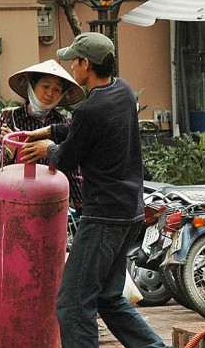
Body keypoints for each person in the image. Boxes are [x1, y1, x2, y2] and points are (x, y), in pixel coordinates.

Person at [19, 32, 172, 348]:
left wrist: (49, 147)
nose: (71, 68)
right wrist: (51, 130)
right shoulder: (123, 91)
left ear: (85, 64)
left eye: (74, 61)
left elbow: (67, 156)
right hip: (129, 212)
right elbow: (86, 132)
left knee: (72, 305)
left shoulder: (91, 110)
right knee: (108, 297)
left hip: (103, 218)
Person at [0, 59, 85, 295]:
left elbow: (73, 168)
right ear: (32, 86)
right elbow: (1, 161)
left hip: (53, 200)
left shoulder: (64, 123)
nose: (49, 93)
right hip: (20, 200)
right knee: (20, 255)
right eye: (45, 86)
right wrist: (9, 148)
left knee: (50, 257)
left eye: (56, 90)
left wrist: (79, 204)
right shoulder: (10, 118)